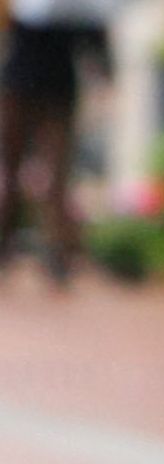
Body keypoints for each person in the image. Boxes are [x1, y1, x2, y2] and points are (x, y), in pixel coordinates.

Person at [0, 0, 112, 285]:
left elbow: (99, 50)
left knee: (55, 178)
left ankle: (56, 253)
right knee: (15, 173)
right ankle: (11, 244)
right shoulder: (32, 8)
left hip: (51, 94)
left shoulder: (80, 11)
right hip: (25, 91)